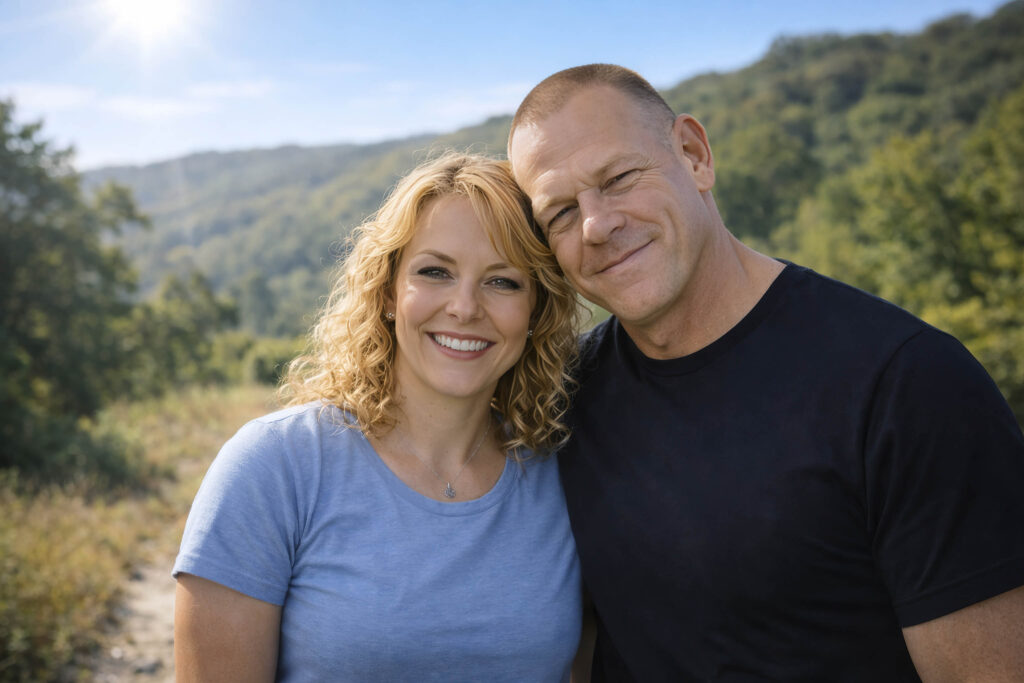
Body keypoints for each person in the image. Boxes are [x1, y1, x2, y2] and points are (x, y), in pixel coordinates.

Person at [507, 64, 1024, 681]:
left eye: (618, 178)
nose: (596, 225)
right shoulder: (560, 403)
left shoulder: (906, 384)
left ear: (695, 155)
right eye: (560, 212)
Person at [173, 153, 586, 682]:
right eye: (435, 272)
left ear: (536, 309)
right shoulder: (273, 468)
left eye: (502, 281)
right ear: (389, 292)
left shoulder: (563, 471)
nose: (464, 307)